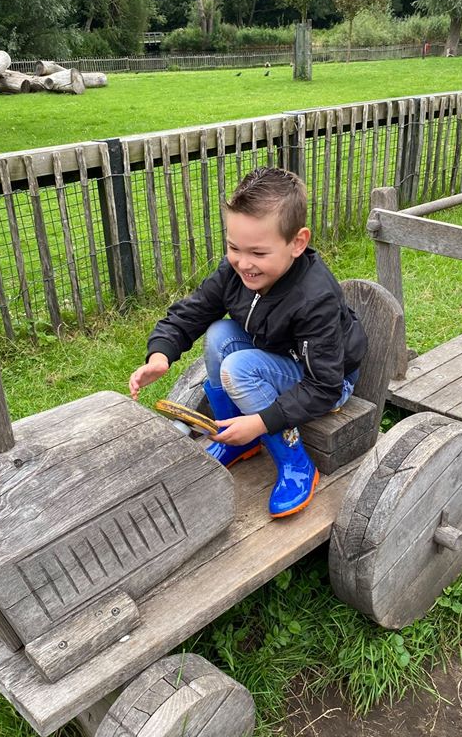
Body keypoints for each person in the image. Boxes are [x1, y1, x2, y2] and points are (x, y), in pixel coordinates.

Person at [129, 166, 368, 518]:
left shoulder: (315, 298)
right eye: (233, 247)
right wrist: (160, 354)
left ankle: (295, 462)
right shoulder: (235, 272)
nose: (243, 263)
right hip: (279, 355)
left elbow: (324, 385)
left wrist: (259, 421)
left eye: (258, 253)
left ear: (297, 242)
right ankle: (233, 438)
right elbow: (192, 312)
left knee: (239, 368)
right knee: (218, 334)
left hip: (328, 379)